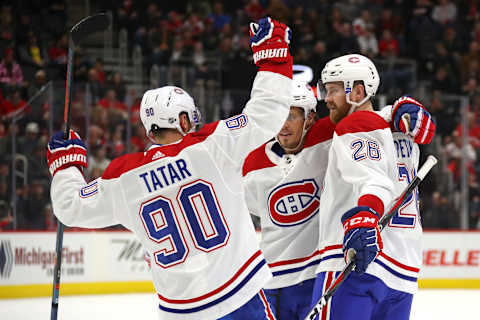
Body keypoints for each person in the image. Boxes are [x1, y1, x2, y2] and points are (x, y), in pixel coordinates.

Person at [47, 17, 292, 320]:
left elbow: (69, 206)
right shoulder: (211, 146)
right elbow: (267, 113)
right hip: (238, 300)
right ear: (184, 121)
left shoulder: (124, 177)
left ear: (151, 131)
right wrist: (274, 59)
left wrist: (66, 167)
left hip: (180, 312)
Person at [242, 78, 434, 319]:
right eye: (277, 117)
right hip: (270, 281)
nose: (282, 126)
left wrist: (399, 110)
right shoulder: (250, 163)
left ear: (310, 118)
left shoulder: (328, 136)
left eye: (291, 116)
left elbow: (367, 119)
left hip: (313, 276)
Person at [310, 54, 435, 320]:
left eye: (332, 89)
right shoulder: (401, 129)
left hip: (356, 262)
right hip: (402, 272)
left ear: (357, 90)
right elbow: (419, 125)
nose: (326, 98)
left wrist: (366, 215)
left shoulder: (356, 124)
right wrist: (402, 108)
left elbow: (373, 180)